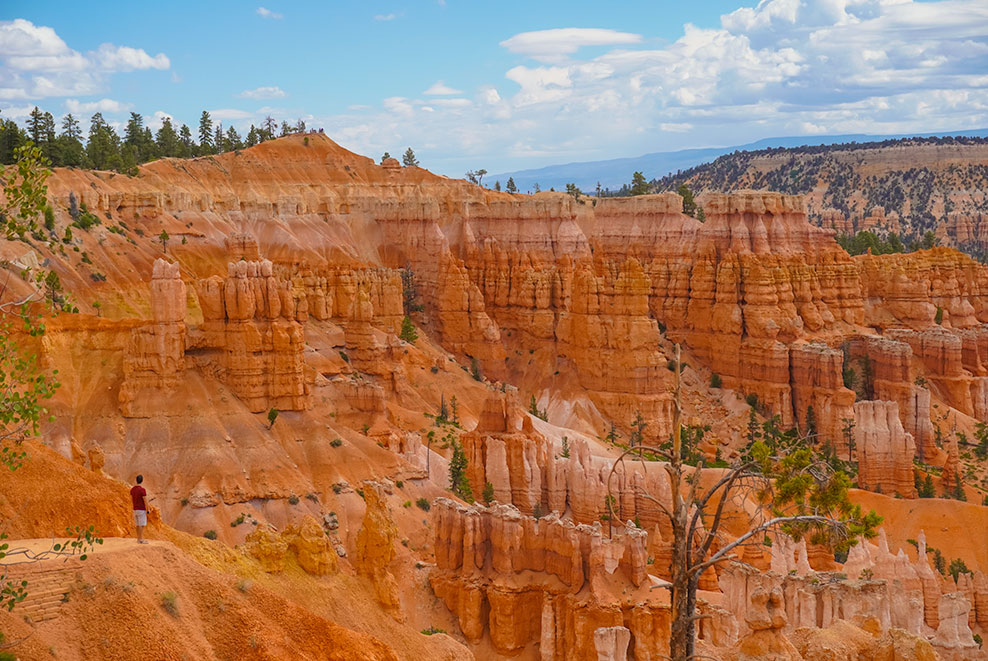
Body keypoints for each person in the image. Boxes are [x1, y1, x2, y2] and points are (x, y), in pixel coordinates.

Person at [130, 475, 150, 544]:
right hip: (141, 509)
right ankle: (140, 539)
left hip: (135, 509)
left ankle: (138, 539)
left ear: (136, 480)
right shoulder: (142, 490)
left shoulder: (132, 490)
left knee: (138, 525)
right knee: (142, 524)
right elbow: (145, 500)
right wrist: (148, 509)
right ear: (142, 480)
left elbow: (131, 499)